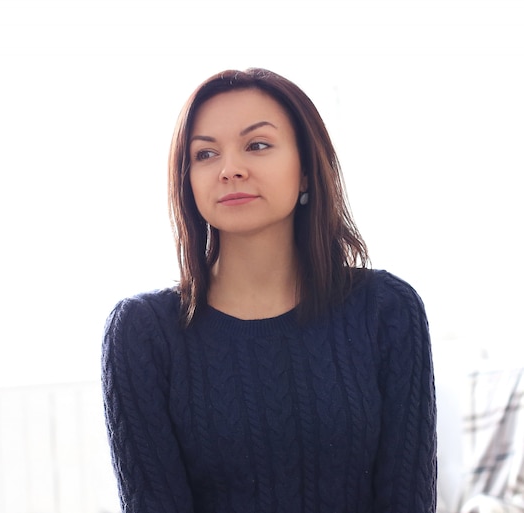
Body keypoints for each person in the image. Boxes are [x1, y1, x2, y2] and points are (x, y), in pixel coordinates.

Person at [102, 68, 437, 513]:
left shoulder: (388, 311)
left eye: (257, 145)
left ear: (306, 172)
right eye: (205, 154)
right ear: (187, 180)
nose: (230, 169)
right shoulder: (142, 333)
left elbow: (407, 500)